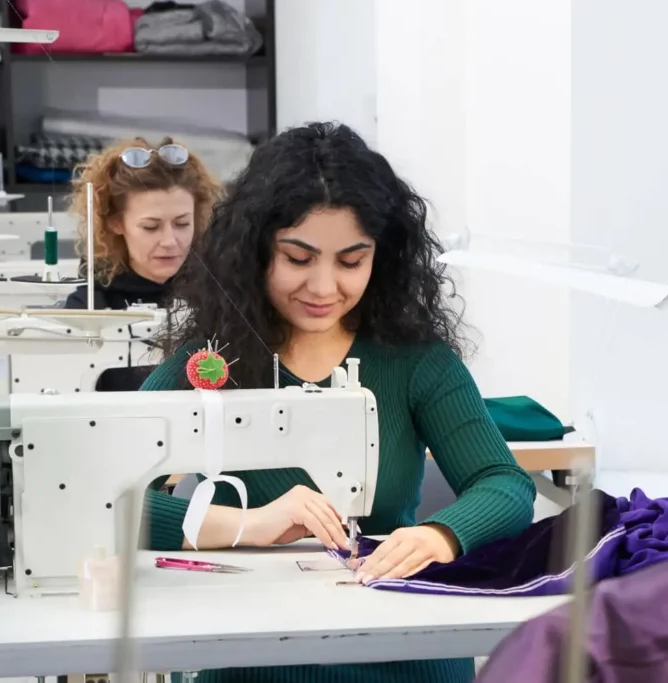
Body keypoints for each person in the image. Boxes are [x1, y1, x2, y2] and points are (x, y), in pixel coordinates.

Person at [140, 122, 537, 683]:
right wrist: (249, 524)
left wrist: (439, 535)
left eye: (351, 262)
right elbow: (100, 500)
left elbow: (504, 484)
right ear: (256, 252)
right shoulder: (211, 362)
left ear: (382, 257)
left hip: (406, 655)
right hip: (256, 656)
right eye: (298, 258)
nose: (324, 287)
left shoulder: (416, 362)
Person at [63, 137, 220, 310]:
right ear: (116, 223)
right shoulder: (90, 308)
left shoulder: (221, 294)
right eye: (151, 227)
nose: (169, 241)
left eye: (182, 224)